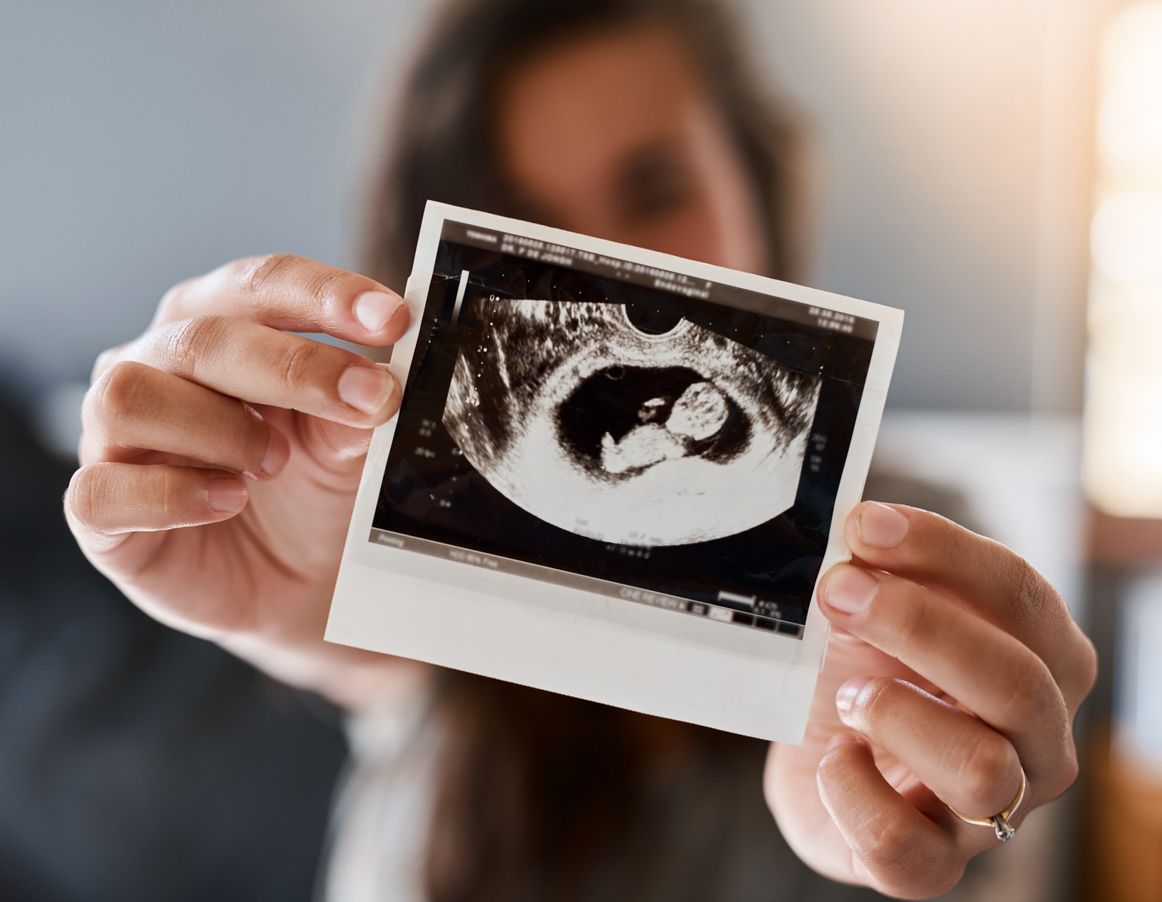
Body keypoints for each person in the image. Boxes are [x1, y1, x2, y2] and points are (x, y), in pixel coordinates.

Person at [63, 0, 1097, 899]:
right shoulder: (433, 574)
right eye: (524, 226)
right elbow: (382, 661)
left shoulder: (911, 557)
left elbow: (984, 833)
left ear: (762, 188)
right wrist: (293, 604)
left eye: (654, 190)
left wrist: (932, 808)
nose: (616, 283)